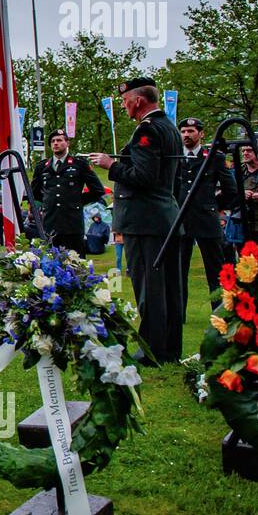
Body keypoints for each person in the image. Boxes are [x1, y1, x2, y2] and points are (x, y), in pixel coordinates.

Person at [89, 77, 182, 364]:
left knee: (150, 288)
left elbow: (144, 177)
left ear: (139, 100)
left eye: (125, 99)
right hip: (163, 217)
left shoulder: (148, 131)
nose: (124, 105)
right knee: (169, 287)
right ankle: (169, 348)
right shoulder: (169, 127)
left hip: (145, 220)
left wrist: (111, 165)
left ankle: (152, 350)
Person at [174, 117, 237, 306]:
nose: (186, 135)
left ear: (201, 134)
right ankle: (179, 316)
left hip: (206, 220)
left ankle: (219, 314)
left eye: (191, 131)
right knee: (178, 271)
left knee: (215, 272)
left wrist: (212, 205)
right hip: (180, 220)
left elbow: (231, 190)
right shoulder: (174, 157)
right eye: (183, 131)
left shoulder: (214, 158)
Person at [31, 129, 106, 255]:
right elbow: (35, 193)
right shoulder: (42, 167)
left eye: (59, 140)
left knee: (76, 264)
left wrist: (77, 201)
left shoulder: (79, 164)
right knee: (51, 265)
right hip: (50, 223)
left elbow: (98, 190)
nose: (56, 143)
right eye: (53, 141)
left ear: (67, 143)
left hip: (72, 224)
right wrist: (47, 202)